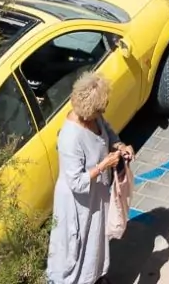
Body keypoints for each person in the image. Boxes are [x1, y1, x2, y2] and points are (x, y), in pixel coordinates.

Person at [45, 73, 131, 284]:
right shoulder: (70, 137)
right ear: (89, 110)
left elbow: (108, 133)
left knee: (95, 240)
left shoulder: (95, 118)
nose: (102, 114)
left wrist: (120, 146)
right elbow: (76, 181)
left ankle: (96, 276)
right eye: (99, 111)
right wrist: (104, 166)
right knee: (78, 244)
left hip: (95, 195)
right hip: (78, 202)